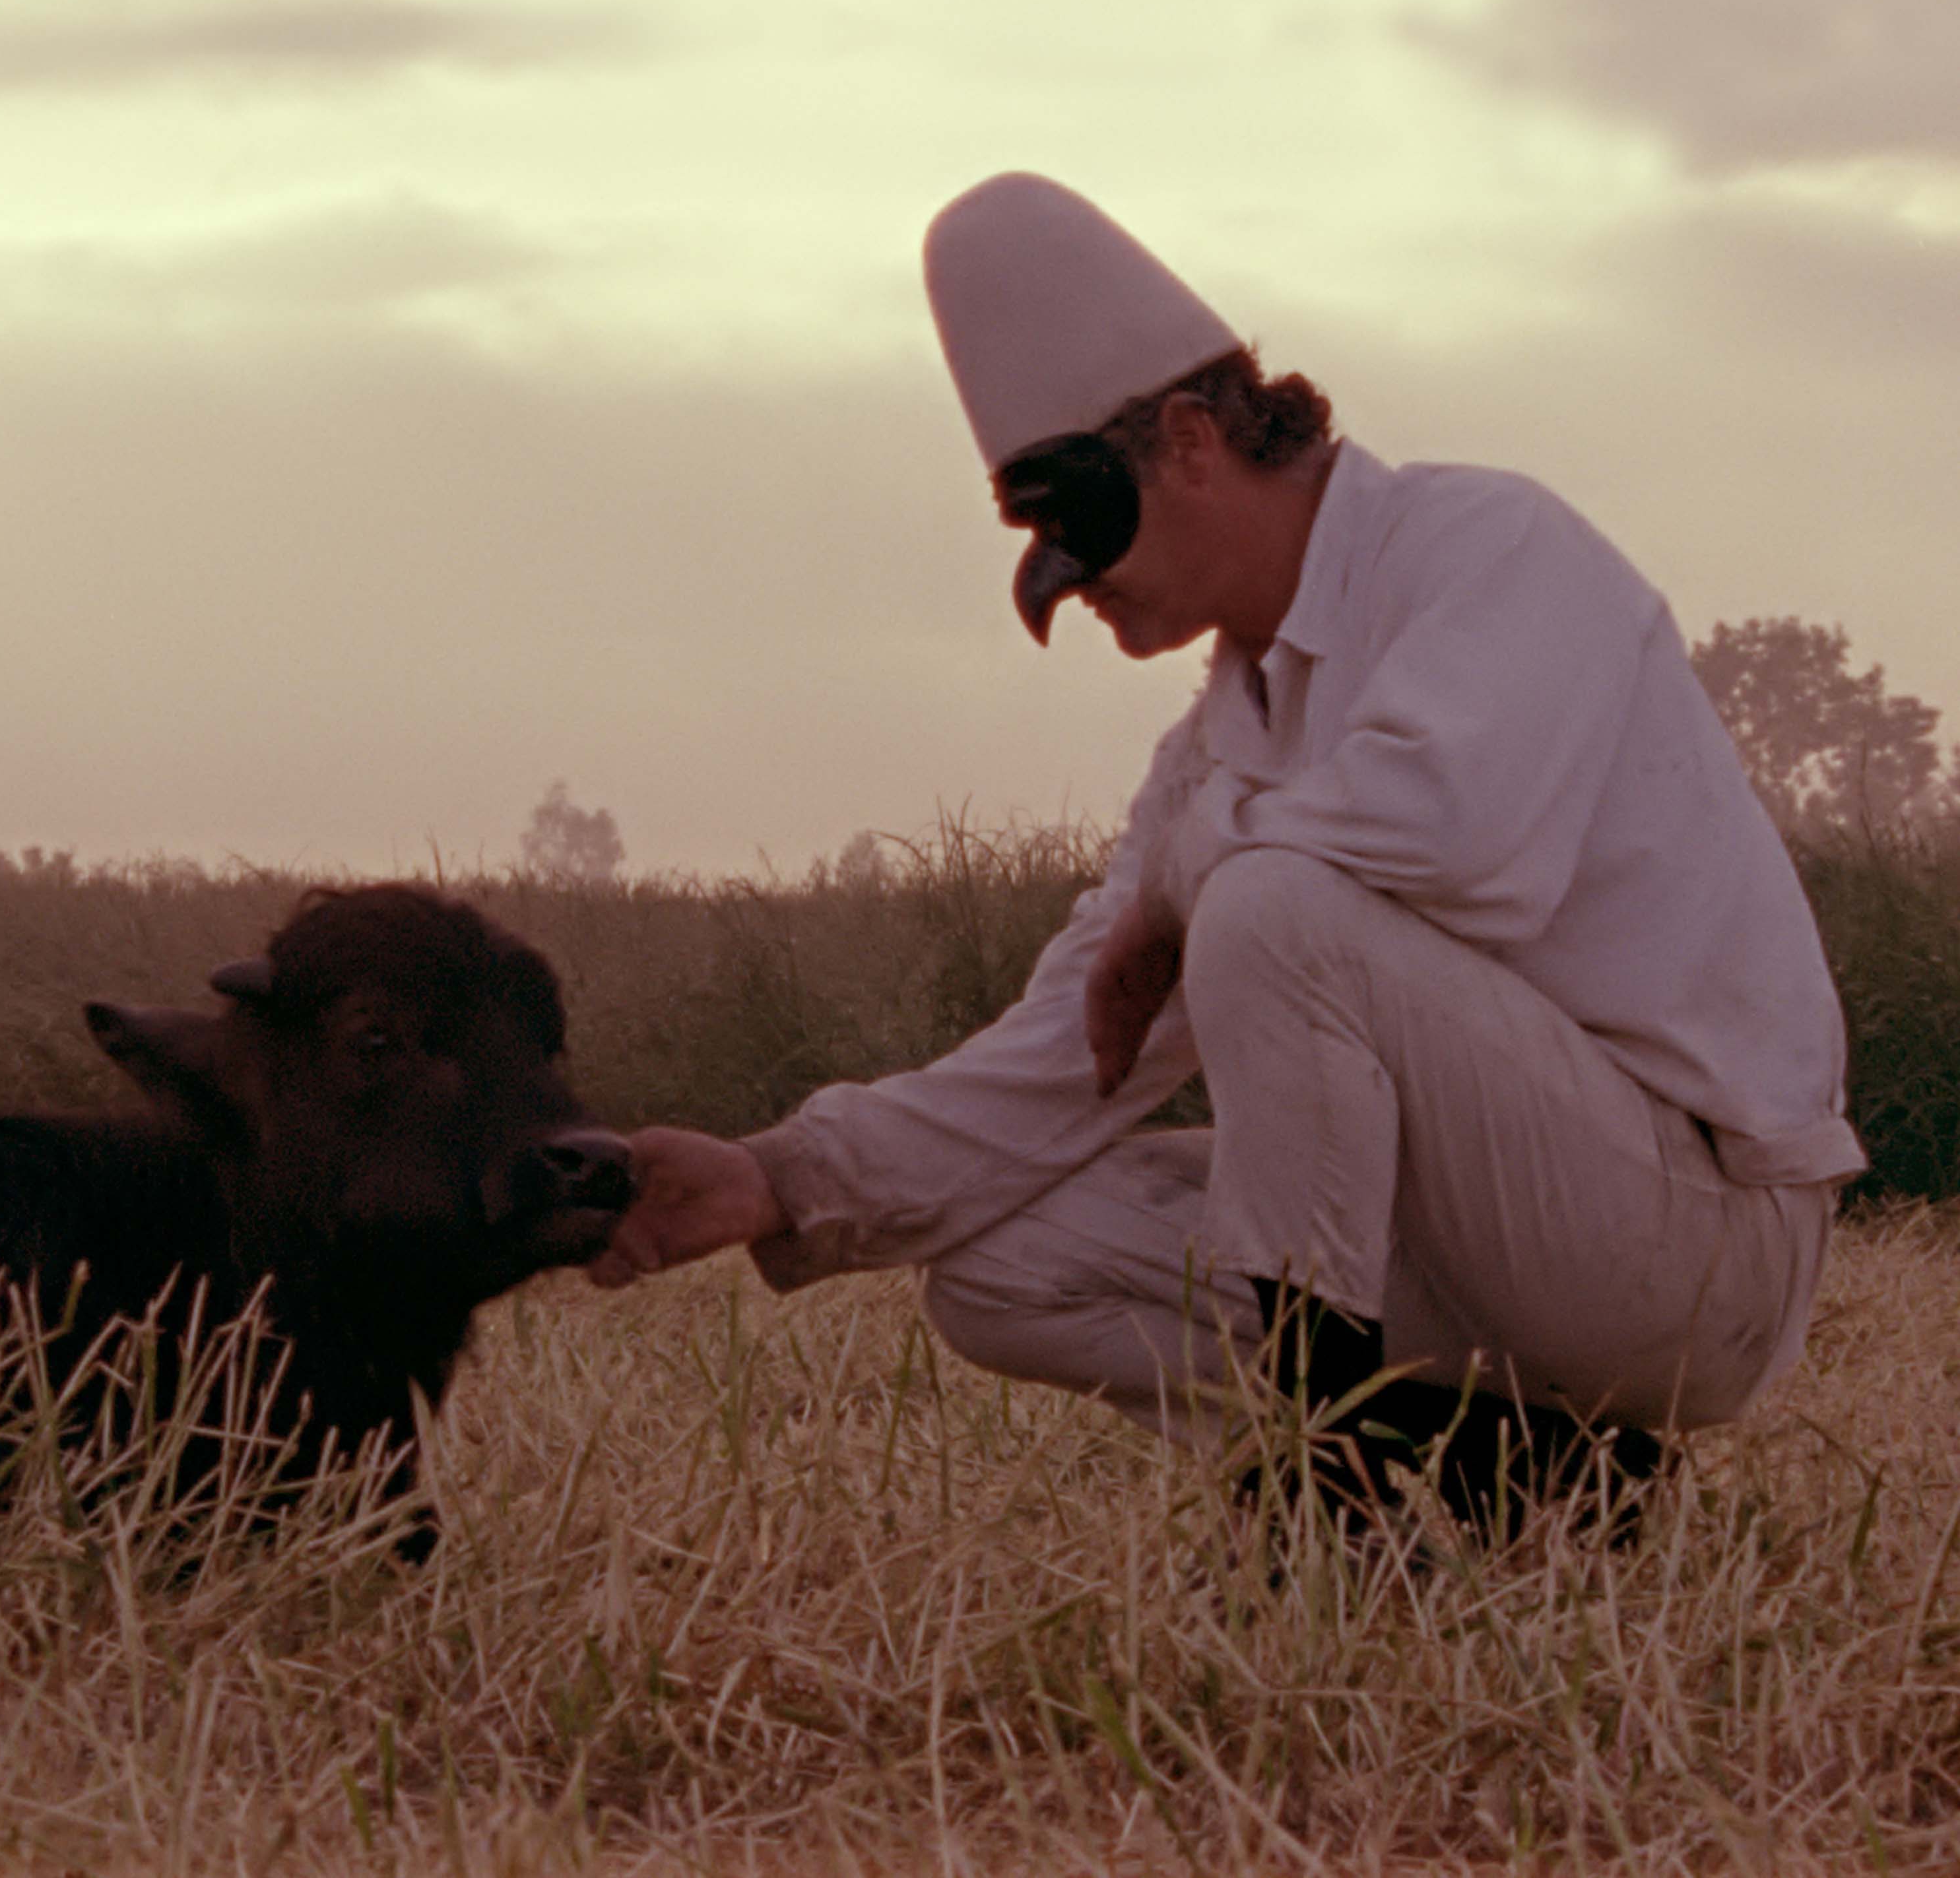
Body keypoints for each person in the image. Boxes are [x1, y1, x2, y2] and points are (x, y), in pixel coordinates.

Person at [588, 172, 1862, 1530]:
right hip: (1483, 1255)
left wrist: (1188, 892)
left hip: (1695, 1249)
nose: (1055, 582)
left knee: (1270, 904)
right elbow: (1066, 1059)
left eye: (1071, 513)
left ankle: (1328, 1495)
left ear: (1191, 442)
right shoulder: (1220, 750)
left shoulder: (1489, 550)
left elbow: (1458, 841)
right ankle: (1529, 1478)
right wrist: (778, 1176)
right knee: (1000, 1265)